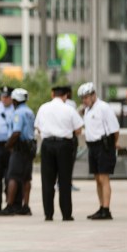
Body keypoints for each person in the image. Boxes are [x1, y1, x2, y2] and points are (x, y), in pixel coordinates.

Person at [35, 85, 84, 221]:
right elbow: (79, 130)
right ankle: (66, 214)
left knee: (47, 181)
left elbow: (38, 128)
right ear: (65, 96)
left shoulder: (43, 108)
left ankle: (48, 214)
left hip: (47, 145)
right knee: (65, 180)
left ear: (52, 94)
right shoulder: (69, 109)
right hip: (64, 145)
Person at [78, 82, 120, 220]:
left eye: (86, 97)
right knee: (97, 179)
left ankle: (106, 209)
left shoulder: (103, 108)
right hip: (92, 146)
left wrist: (112, 145)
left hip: (104, 145)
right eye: (82, 98)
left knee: (104, 178)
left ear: (93, 95)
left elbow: (115, 129)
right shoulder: (88, 110)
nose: (84, 100)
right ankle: (101, 206)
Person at [0, 89, 36, 216]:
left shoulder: (18, 113)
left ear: (15, 100)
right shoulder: (29, 111)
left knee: (12, 177)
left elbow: (16, 132)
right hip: (30, 148)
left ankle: (9, 205)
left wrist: (7, 145)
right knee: (26, 178)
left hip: (19, 148)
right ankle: (26, 206)